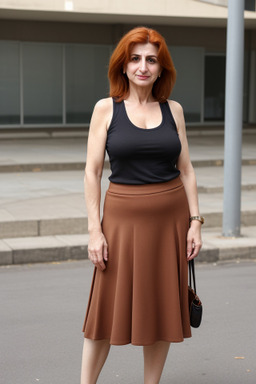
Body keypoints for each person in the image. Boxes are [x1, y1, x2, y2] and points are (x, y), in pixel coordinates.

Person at [81, 26, 203, 384]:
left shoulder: (174, 110)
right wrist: (94, 230)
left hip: (171, 223)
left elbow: (187, 170)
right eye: (135, 59)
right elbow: (91, 172)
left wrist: (195, 222)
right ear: (123, 65)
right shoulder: (106, 109)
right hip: (119, 223)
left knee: (163, 309)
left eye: (151, 60)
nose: (143, 66)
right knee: (104, 313)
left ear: (161, 68)